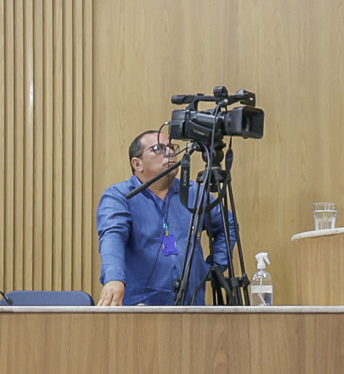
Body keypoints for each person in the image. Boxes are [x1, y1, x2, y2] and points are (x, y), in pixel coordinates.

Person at [95, 131, 238, 306]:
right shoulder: (120, 196)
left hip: (191, 307)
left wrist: (213, 268)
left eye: (171, 147)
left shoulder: (194, 192)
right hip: (141, 308)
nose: (170, 152)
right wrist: (114, 278)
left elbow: (228, 225)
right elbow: (112, 236)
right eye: (158, 149)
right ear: (137, 164)